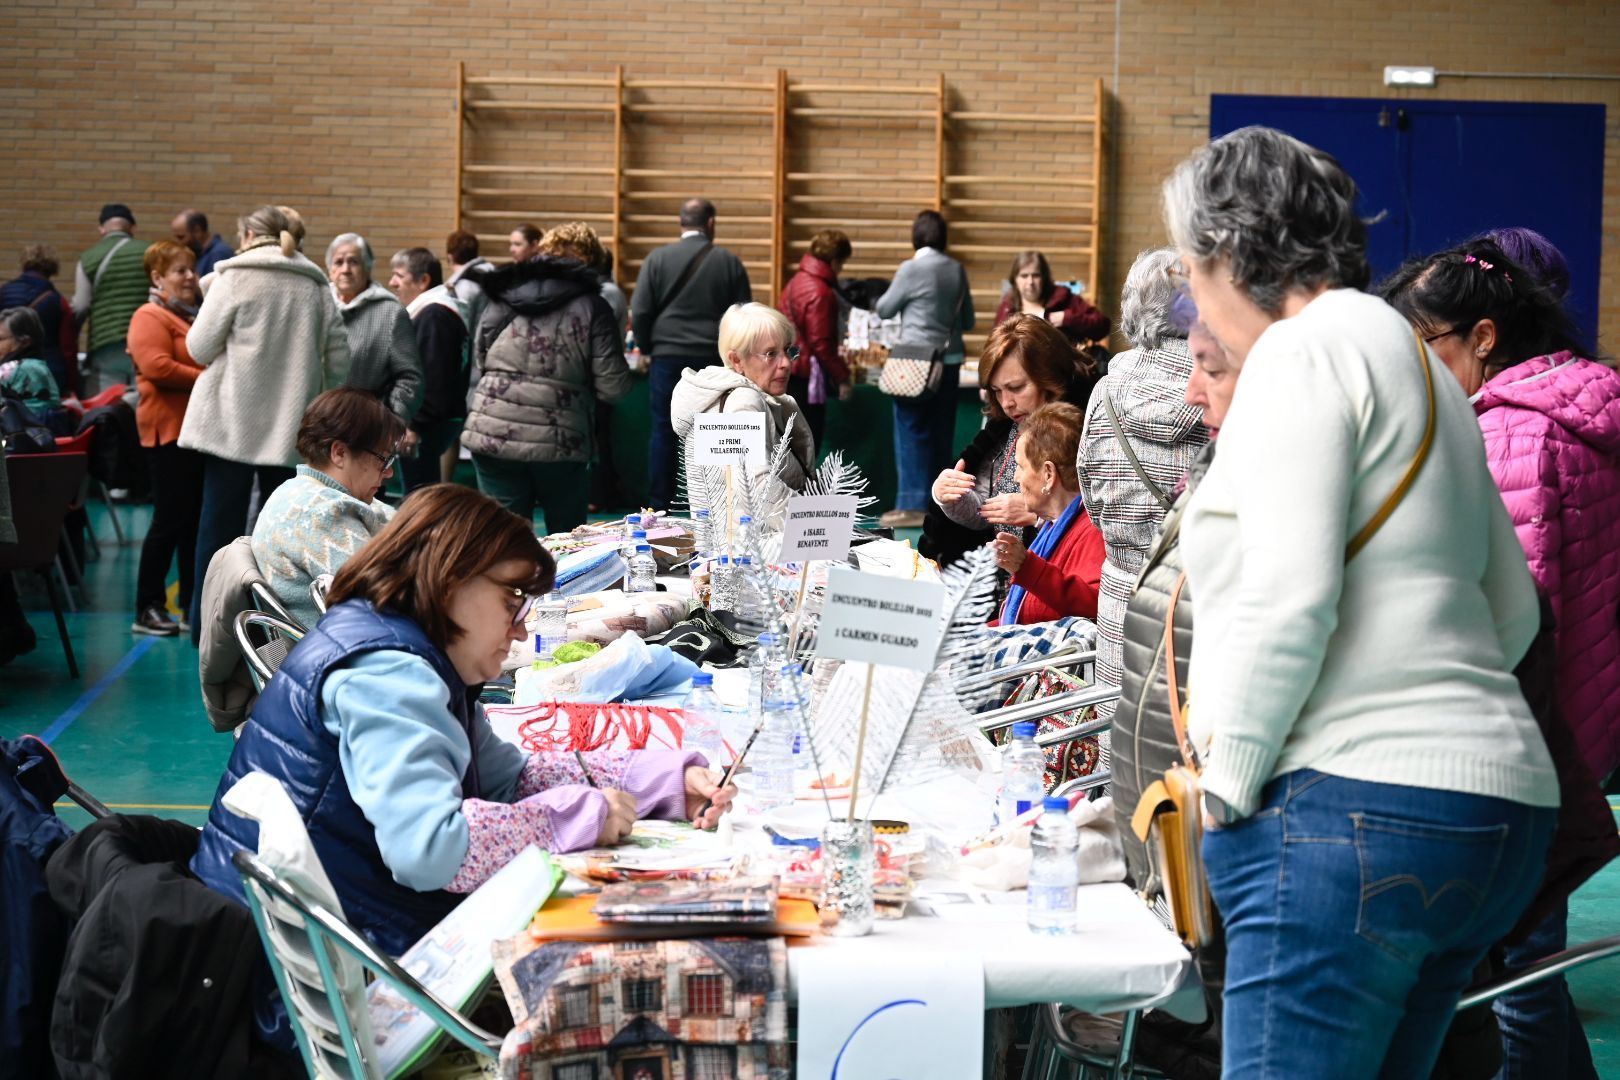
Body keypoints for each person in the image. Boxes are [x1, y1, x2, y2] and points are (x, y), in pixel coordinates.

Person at [1163, 125, 1557, 1077]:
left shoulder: (1301, 354)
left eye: (1190, 265)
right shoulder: (1422, 364)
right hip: (1493, 812)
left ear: (1223, 253)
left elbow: (1288, 595)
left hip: (1349, 819)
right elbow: (1514, 611)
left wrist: (1228, 788)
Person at [191, 483, 735, 1053]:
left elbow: (511, 778)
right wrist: (572, 817)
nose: (522, 628)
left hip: (341, 953)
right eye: (512, 602)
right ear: (451, 580)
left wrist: (663, 781)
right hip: (317, 996)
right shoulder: (389, 675)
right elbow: (430, 850)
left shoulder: (404, 650)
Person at [1379, 237, 1620, 1080]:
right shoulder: (1585, 405)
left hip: (1532, 734)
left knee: (1514, 973)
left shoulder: (1512, 435)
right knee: (1532, 961)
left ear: (1483, 336)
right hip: (1589, 709)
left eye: (1428, 348)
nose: (1419, 370)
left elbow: (1510, 618)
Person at [181, 205, 351, 642]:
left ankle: (207, 624)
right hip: (290, 426)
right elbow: (340, 360)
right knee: (278, 535)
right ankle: (271, 628)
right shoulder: (315, 284)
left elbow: (199, 348)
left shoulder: (234, 276)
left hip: (229, 426)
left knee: (217, 530)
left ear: (247, 234)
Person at [1078, 248, 1207, 726]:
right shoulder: (1220, 389)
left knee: (1121, 748)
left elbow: (1091, 500)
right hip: (1193, 601)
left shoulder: (1106, 389)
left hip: (1120, 594)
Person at [462, 222, 632, 532]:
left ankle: (505, 583)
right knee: (566, 542)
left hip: (493, 433)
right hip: (561, 441)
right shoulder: (594, 307)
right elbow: (614, 387)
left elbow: (479, 358)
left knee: (501, 539)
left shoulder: (501, 297)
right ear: (591, 262)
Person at [925, 315, 1080, 566]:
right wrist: (948, 495)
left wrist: (1036, 515)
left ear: (1048, 378)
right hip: (1002, 588)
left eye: (1016, 387)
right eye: (997, 391)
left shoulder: (1081, 430)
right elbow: (985, 513)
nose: (1006, 402)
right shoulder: (1008, 429)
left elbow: (1100, 517)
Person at [631, 198, 753, 510]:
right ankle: (714, 505)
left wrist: (647, 347)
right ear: (711, 223)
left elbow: (641, 310)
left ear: (680, 222)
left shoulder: (657, 258)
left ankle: (660, 506)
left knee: (664, 430)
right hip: (713, 357)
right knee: (715, 432)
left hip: (668, 355)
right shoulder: (729, 261)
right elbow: (743, 315)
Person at [251, 388, 402, 629]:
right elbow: (388, 597)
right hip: (345, 655)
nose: (389, 472)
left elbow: (391, 518)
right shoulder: (322, 513)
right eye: (382, 459)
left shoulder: (298, 491)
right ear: (339, 452)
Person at [875, 210, 976, 529]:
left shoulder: (911, 268)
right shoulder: (957, 270)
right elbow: (969, 320)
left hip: (915, 364)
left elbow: (884, 308)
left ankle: (911, 504)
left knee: (910, 431)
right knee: (940, 431)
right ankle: (939, 502)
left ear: (915, 237)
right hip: (948, 362)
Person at [126, 240, 206, 636]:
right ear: (158, 277)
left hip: (195, 432)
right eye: (179, 271)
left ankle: (192, 606)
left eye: (191, 269)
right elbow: (156, 366)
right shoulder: (149, 315)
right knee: (169, 521)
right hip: (166, 433)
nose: (189, 276)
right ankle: (148, 607)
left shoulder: (191, 316)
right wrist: (208, 379)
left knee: (192, 523)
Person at [671, 302, 816, 493]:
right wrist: (813, 518)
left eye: (788, 350)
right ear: (737, 360)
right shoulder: (743, 401)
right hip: (749, 524)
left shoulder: (727, 396)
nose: (786, 363)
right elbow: (756, 490)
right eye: (771, 354)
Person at [991, 401, 1104, 623]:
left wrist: (1026, 567)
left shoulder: (1094, 530)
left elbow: (1097, 604)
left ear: (1048, 475)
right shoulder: (1055, 526)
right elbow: (1024, 619)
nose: (1016, 478)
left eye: (1021, 467)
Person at [387, 247, 469, 493]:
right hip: (432, 419)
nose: (392, 283)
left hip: (425, 423)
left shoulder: (434, 315)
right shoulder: (436, 312)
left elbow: (432, 377)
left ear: (423, 281)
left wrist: (415, 425)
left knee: (419, 500)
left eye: (399, 276)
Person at [328, 232, 422, 431]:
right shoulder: (319, 305)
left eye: (354, 262)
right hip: (317, 425)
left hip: (365, 428)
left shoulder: (390, 312)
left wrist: (389, 420)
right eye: (338, 262)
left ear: (368, 267)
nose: (345, 269)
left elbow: (410, 377)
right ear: (330, 270)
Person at [777, 228, 854, 446]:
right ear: (834, 261)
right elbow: (822, 344)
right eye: (841, 263)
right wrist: (842, 377)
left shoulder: (796, 282)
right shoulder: (820, 292)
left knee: (791, 441)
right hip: (808, 378)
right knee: (808, 442)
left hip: (792, 367)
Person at [72, 203, 152, 393]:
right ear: (132, 228)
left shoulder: (88, 258)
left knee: (108, 407)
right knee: (143, 403)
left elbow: (80, 306)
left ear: (102, 229)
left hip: (104, 343)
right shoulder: (150, 252)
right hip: (145, 341)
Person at [0, 245, 76, 395]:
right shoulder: (57, 301)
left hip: (6, 365)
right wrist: (71, 382)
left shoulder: (4, 293)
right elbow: (67, 346)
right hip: (48, 369)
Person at [994, 250, 1111, 346]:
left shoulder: (1064, 298)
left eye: (1036, 275)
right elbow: (995, 345)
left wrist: (1068, 318)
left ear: (1044, 278)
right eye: (1024, 276)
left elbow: (1103, 326)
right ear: (1015, 279)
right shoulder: (1007, 306)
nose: (1030, 282)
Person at [0, 307, 74, 434]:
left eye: (0, 339)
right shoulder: (37, 366)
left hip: (20, 443)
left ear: (24, 342)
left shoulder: (16, 369)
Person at [170, 209, 234, 276]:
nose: (177, 242)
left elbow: (213, 285)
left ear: (197, 231)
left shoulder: (219, 254)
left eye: (181, 237)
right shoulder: (198, 252)